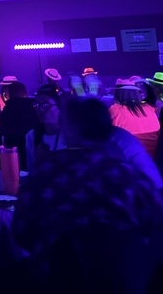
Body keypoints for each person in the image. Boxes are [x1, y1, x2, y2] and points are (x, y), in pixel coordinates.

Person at [12, 97, 163, 274]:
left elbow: (21, 230)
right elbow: (156, 222)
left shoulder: (47, 172)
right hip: (125, 278)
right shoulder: (130, 176)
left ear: (71, 129)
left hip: (56, 277)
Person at [0, 81, 38, 169]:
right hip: (31, 149)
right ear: (25, 94)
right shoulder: (33, 108)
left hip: (11, 153)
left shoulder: (7, 109)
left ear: (9, 95)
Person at [109, 77, 159, 156]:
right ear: (137, 93)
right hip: (155, 156)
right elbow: (152, 97)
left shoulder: (114, 110)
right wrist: (146, 84)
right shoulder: (150, 108)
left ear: (117, 94)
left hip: (131, 158)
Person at [25, 85, 67, 171]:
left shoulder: (69, 136)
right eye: (37, 105)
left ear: (60, 108)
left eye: (46, 105)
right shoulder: (32, 136)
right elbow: (31, 170)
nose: (40, 109)